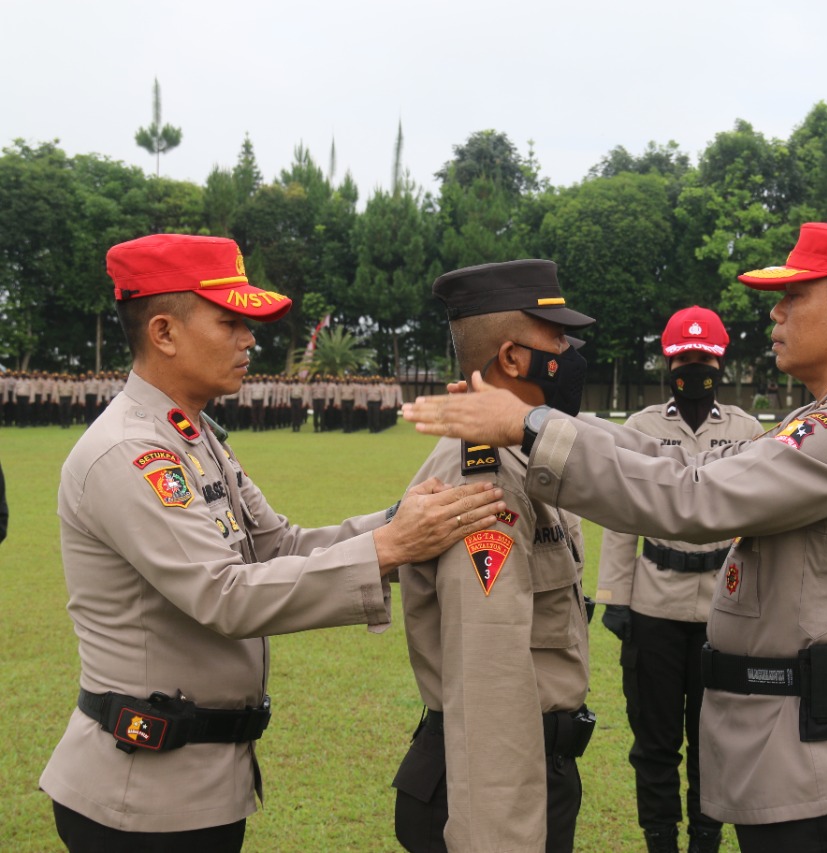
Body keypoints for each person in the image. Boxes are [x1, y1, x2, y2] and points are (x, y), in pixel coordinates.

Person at [404, 223, 827, 853]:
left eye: (795, 296)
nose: (776, 310)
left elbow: (693, 495)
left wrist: (532, 423)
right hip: (804, 758)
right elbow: (684, 461)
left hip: (825, 769)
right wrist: (537, 423)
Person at [39, 233, 506, 853]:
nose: (249, 339)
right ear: (163, 332)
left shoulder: (195, 435)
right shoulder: (133, 450)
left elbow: (277, 545)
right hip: (141, 800)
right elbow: (224, 596)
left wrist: (400, 520)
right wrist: (389, 547)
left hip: (194, 784)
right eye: (231, 321)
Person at [392, 259, 595, 853]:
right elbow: (490, 683)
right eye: (556, 338)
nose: (570, 350)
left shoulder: (524, 460)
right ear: (512, 358)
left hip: (532, 767)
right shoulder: (487, 479)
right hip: (492, 783)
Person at [597, 306, 763, 853]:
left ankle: (706, 840)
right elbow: (622, 515)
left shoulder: (747, 431)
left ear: (721, 362)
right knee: (656, 739)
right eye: (684, 358)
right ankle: (661, 840)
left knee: (715, 740)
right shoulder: (641, 429)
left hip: (726, 608)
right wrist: (614, 598)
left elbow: (764, 523)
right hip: (654, 606)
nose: (695, 368)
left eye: (705, 358)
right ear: (668, 364)